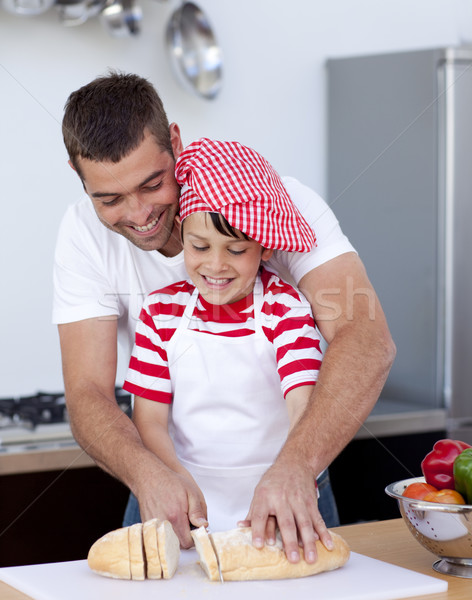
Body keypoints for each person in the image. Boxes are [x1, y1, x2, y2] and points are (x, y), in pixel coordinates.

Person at [54, 71, 395, 565]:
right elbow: (87, 392)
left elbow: (365, 336)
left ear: (174, 142)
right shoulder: (83, 235)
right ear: (78, 175)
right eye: (109, 198)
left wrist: (297, 467)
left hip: (291, 487)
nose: (140, 211)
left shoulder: (274, 205)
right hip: (166, 493)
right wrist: (151, 475)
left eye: (152, 183)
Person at [123, 137, 325, 537]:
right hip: (183, 507)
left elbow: (305, 407)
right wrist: (176, 481)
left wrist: (292, 476)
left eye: (236, 250)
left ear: (264, 248)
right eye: (200, 246)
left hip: (275, 508)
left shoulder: (287, 310)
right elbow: (148, 420)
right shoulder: (160, 314)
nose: (215, 265)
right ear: (183, 235)